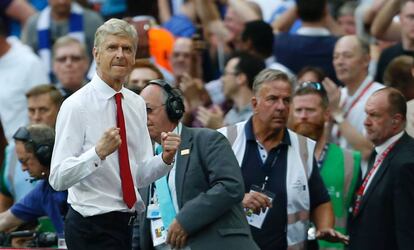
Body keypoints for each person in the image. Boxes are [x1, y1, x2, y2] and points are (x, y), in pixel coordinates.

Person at [48, 18, 181, 250]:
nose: (120, 54)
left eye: (127, 48)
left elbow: (138, 175)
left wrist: (165, 159)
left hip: (126, 225)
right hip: (89, 226)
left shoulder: (137, 103)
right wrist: (97, 153)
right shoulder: (75, 105)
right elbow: (58, 178)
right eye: (112, 47)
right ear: (96, 54)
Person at [218, 69, 347, 250]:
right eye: (272, 99)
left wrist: (325, 227)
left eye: (286, 100)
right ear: (255, 104)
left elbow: (320, 201)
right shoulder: (224, 141)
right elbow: (201, 195)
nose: (281, 107)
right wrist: (238, 200)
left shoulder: (303, 148)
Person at [138, 80, 259, 250]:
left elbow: (230, 186)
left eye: (148, 110)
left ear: (173, 108)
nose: (143, 118)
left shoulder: (207, 139)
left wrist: (185, 220)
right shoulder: (146, 161)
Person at [290, 82, 361, 250]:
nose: (303, 116)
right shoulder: (280, 157)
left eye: (310, 110)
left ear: (327, 114)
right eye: (298, 110)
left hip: (334, 246)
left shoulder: (350, 159)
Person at [348, 87, 414, 250]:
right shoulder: (379, 151)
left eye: (374, 115)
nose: (366, 122)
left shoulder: (406, 163)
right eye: (366, 114)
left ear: (396, 120)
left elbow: (407, 231)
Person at [0, 85, 63, 211]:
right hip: (23, 226)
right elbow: (4, 201)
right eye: (31, 110)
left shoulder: (69, 147)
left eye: (43, 110)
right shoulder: (13, 151)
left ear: (60, 110)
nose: (36, 117)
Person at [323, 35, 383, 162]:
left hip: (364, 177)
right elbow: (324, 148)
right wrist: (328, 123)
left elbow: (368, 151)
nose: (339, 62)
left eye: (347, 56)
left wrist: (337, 115)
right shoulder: (339, 94)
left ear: (366, 60)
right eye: (336, 56)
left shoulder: (380, 95)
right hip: (338, 176)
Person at [0, 124, 67, 238]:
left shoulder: (77, 185)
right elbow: (5, 219)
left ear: (44, 155)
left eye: (25, 161)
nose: (23, 168)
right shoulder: (43, 192)